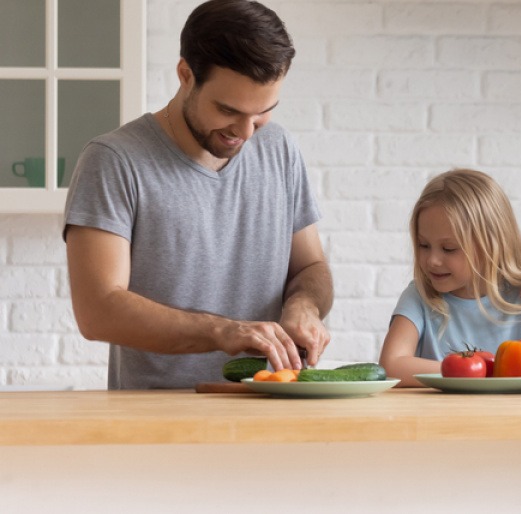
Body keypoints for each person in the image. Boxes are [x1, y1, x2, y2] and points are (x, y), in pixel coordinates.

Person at [63, 0, 332, 389]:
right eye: (229, 110)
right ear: (185, 74)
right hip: (159, 421)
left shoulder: (279, 148)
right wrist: (223, 331)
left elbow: (311, 267)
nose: (247, 131)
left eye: (262, 112)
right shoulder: (114, 161)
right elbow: (97, 310)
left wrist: (304, 305)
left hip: (273, 409)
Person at [379, 168, 521, 386]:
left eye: (448, 248)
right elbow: (391, 366)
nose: (432, 260)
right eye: (423, 245)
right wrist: (481, 370)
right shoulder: (420, 296)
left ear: (491, 246)